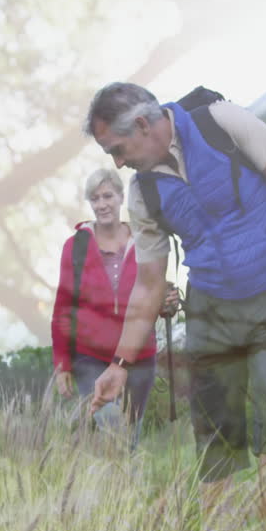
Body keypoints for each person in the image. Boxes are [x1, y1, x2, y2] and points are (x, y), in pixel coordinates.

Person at [84, 82, 266, 531]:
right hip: (210, 312)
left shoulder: (222, 122)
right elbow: (149, 285)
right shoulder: (143, 194)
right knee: (217, 437)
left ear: (142, 125)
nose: (118, 163)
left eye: (117, 149)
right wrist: (120, 363)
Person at [50, 168, 173, 444]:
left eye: (108, 196)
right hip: (90, 358)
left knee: (130, 437)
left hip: (138, 358)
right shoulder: (75, 246)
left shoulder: (144, 241)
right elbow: (63, 309)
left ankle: (122, 475)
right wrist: (62, 364)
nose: (102, 204)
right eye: (95, 198)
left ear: (121, 197)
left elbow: (153, 291)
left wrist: (166, 303)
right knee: (113, 427)